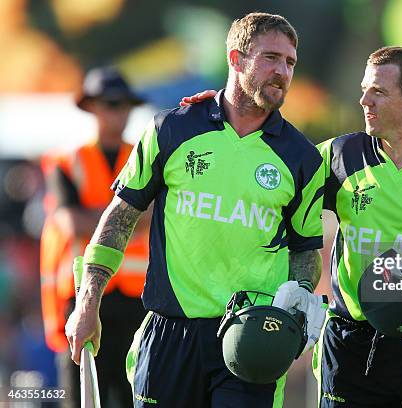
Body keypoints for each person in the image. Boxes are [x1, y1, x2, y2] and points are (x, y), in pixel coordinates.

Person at [182, 46, 402, 407]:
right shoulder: (339, 156)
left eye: (378, 92)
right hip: (352, 344)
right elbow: (268, 167)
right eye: (364, 89)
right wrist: (224, 110)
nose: (364, 100)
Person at [64, 13, 325, 408]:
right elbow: (119, 216)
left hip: (250, 338)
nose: (282, 71)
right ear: (236, 60)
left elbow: (306, 249)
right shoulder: (171, 129)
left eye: (290, 62)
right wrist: (87, 302)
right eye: (271, 57)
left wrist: (300, 297)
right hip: (170, 333)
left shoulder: (302, 157)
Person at [39, 66, 149, 407]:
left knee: (132, 391)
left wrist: (98, 216)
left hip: (136, 296)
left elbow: (153, 217)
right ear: (92, 108)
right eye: (109, 103)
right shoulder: (66, 160)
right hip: (82, 293)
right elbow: (70, 222)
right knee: (80, 392)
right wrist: (127, 217)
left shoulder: (145, 156)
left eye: (122, 104)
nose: (116, 112)